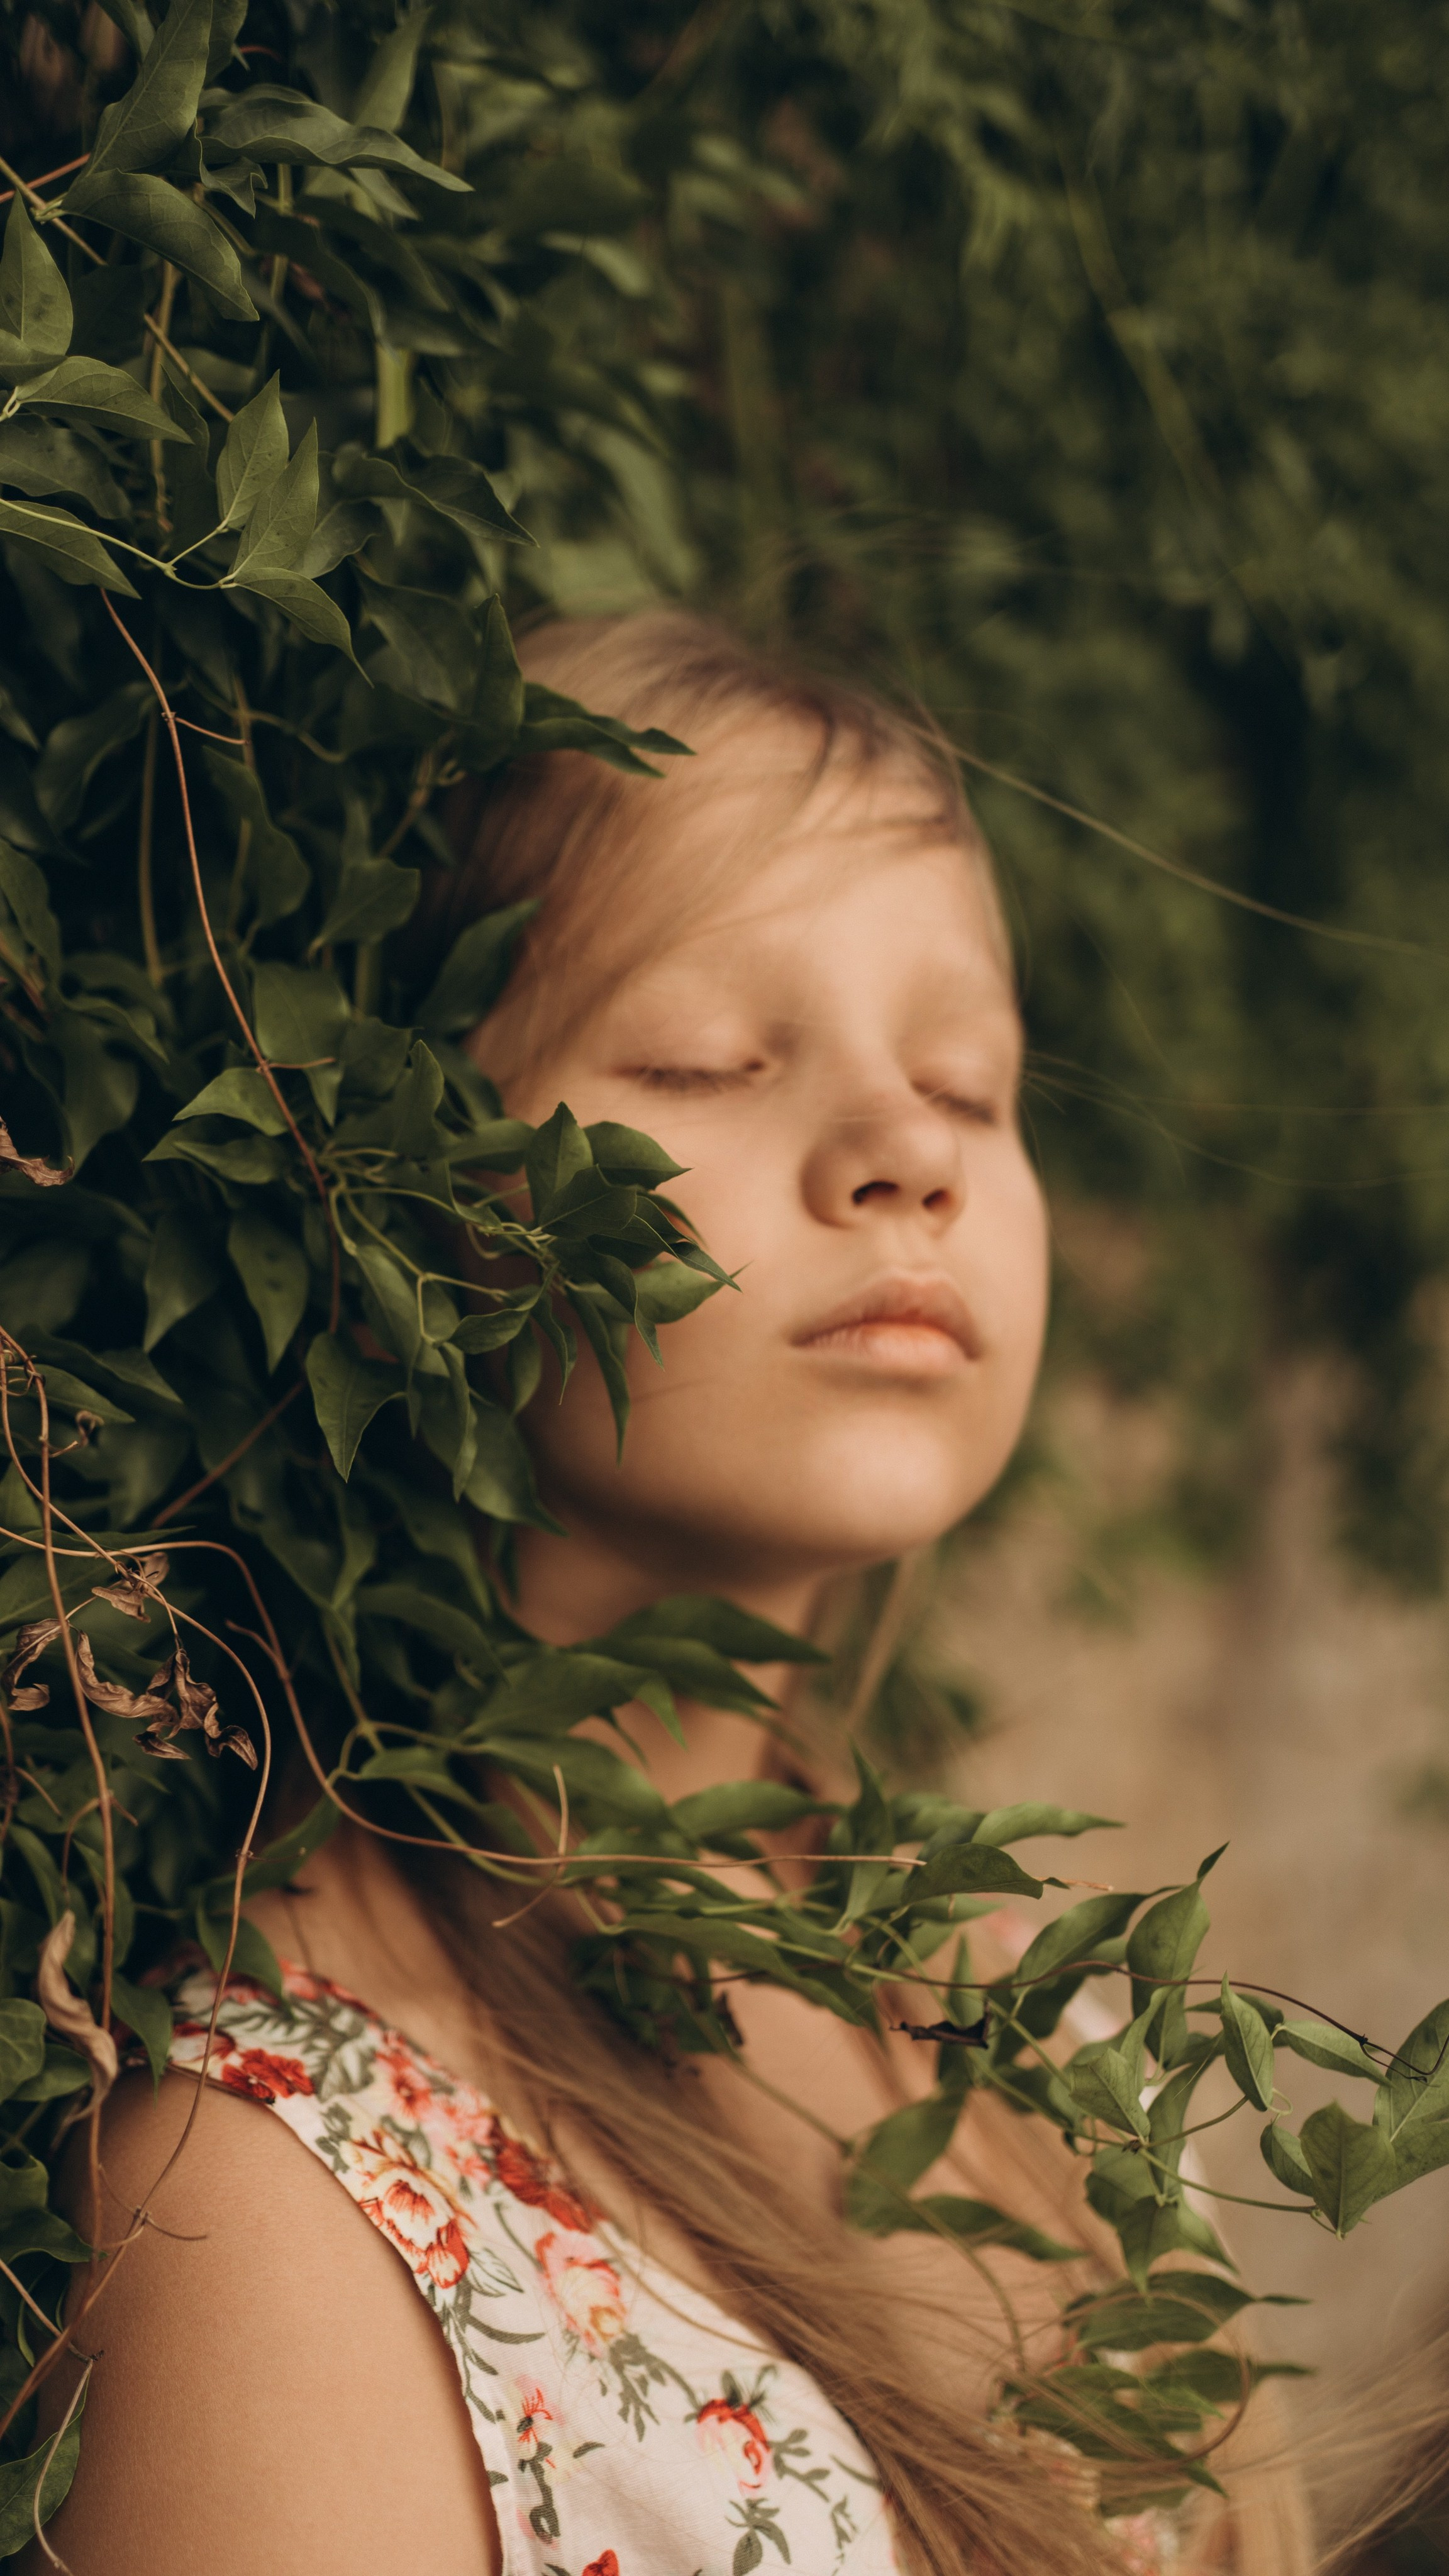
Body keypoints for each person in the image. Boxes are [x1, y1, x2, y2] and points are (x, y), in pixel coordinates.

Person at [38, 614, 1309, 2575]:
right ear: (374, 1192)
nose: (908, 1155)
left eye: (972, 1084)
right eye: (713, 1058)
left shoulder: (1052, 2064)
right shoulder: (274, 2199)